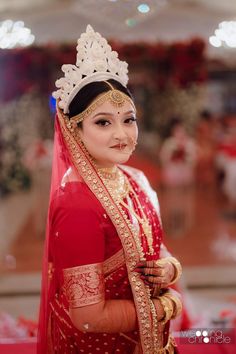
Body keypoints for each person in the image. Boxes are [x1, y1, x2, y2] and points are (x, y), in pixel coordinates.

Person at [37, 25, 182, 354]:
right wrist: (167, 307)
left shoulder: (135, 179)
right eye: (103, 122)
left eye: (128, 119)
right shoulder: (77, 205)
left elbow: (156, 248)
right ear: (75, 130)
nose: (122, 133)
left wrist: (169, 269)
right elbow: (88, 317)